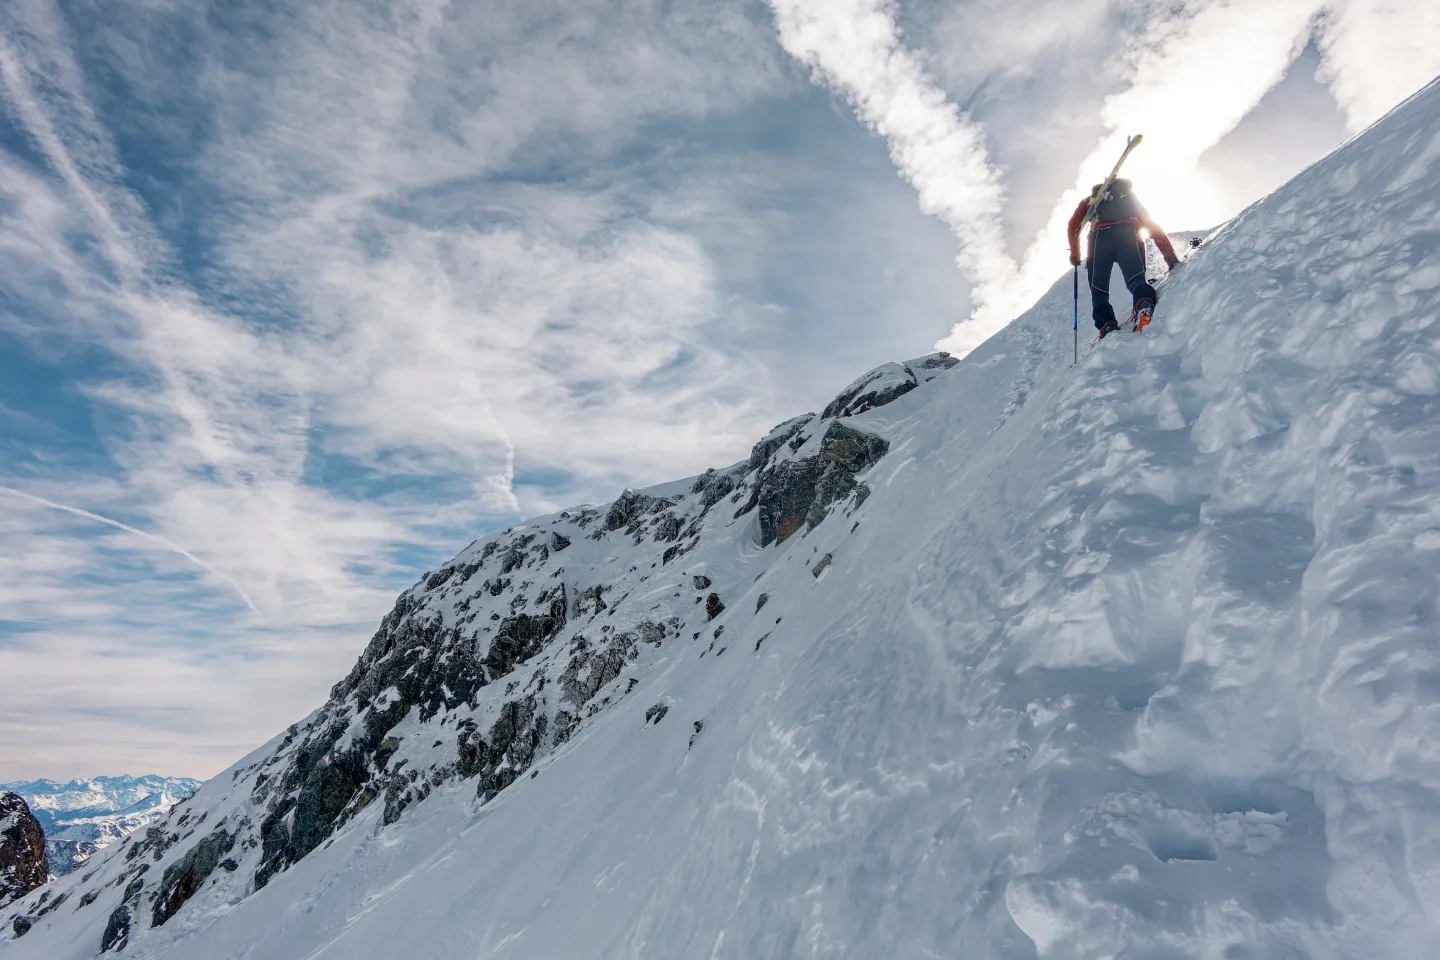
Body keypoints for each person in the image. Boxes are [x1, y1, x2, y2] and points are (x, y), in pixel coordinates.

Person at [1067, 178, 1180, 339]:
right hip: (1128, 235)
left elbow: (1073, 226)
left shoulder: (1091, 200)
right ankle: (1143, 304)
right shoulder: (1129, 197)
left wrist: (1075, 253)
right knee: (1135, 279)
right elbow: (1152, 226)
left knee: (1099, 292)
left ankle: (1107, 325)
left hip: (1099, 241)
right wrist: (1170, 257)